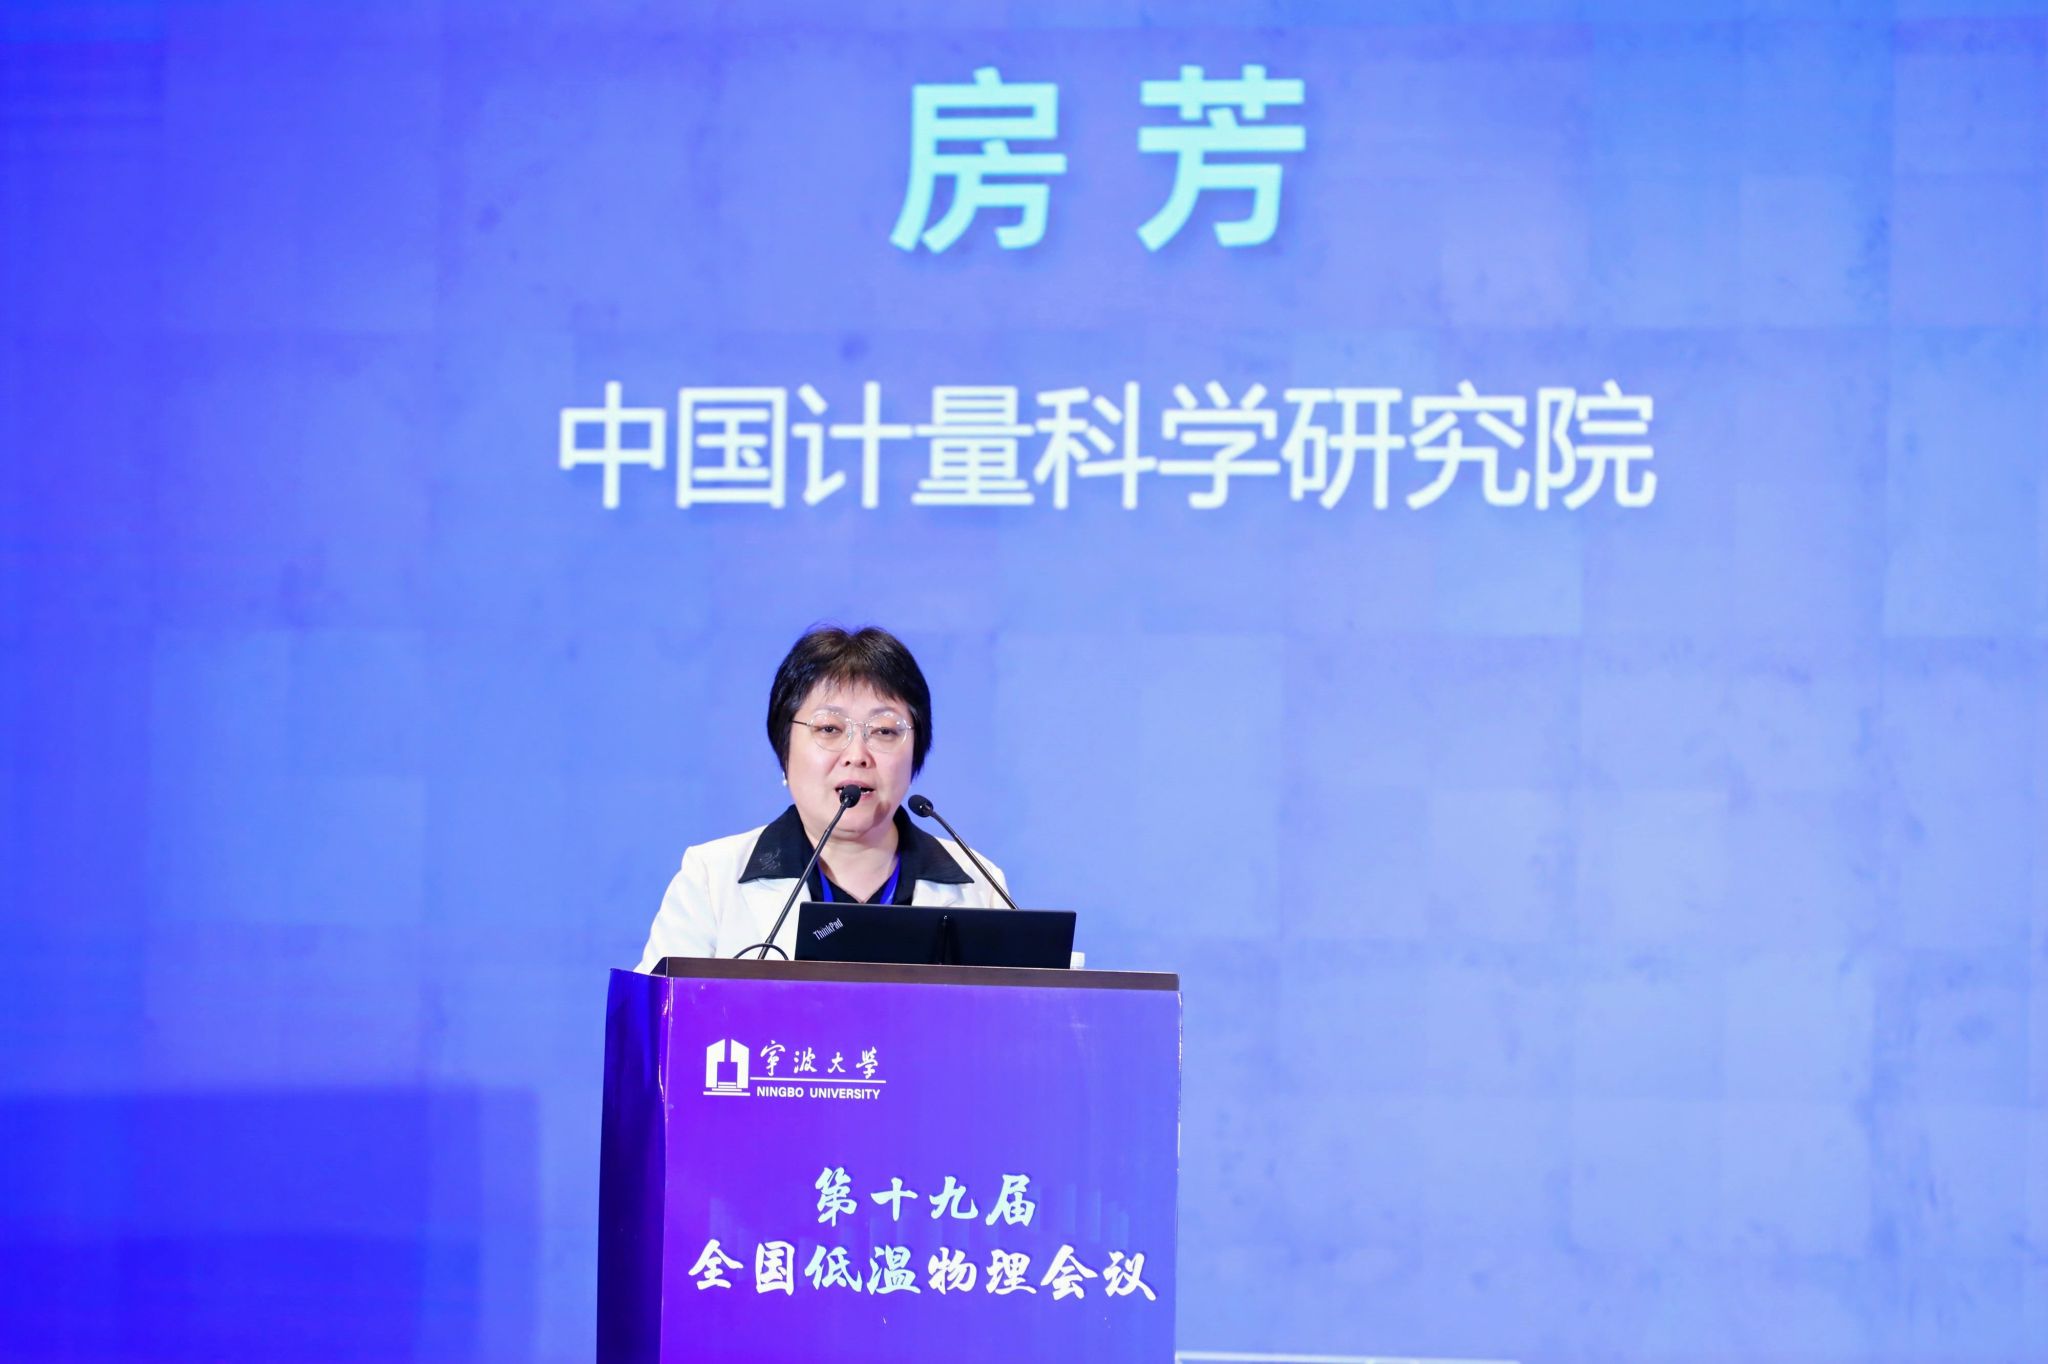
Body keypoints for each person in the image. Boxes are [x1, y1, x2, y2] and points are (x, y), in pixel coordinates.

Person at [634, 625, 1010, 968]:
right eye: (829, 728)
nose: (857, 755)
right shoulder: (712, 879)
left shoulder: (981, 886)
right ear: (784, 749)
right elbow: (656, 1017)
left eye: (884, 731)